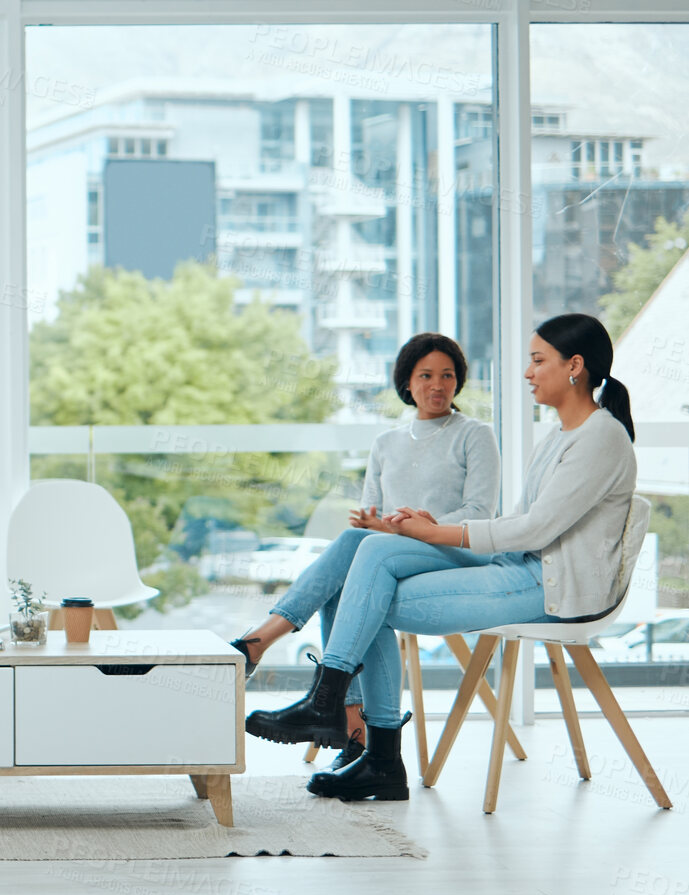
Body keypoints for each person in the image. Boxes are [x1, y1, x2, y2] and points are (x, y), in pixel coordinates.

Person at [246, 314, 638, 802]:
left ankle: (350, 724)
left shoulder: (600, 437)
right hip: (522, 570)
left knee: (359, 594)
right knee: (360, 589)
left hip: (551, 586)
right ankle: (364, 742)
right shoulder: (560, 434)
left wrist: (433, 532)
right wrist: (426, 529)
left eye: (538, 361)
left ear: (574, 366)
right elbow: (526, 522)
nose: (527, 373)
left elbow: (535, 528)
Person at [232, 333, 498, 768]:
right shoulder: (385, 444)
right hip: (394, 554)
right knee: (352, 568)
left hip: (457, 551)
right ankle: (354, 731)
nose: (438, 385)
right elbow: (375, 517)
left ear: (459, 381)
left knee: (358, 550)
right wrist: (381, 526)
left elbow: (479, 513)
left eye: (448, 376)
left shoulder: (474, 435)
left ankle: (259, 644)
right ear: (406, 383)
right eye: (426, 375)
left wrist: (410, 528)